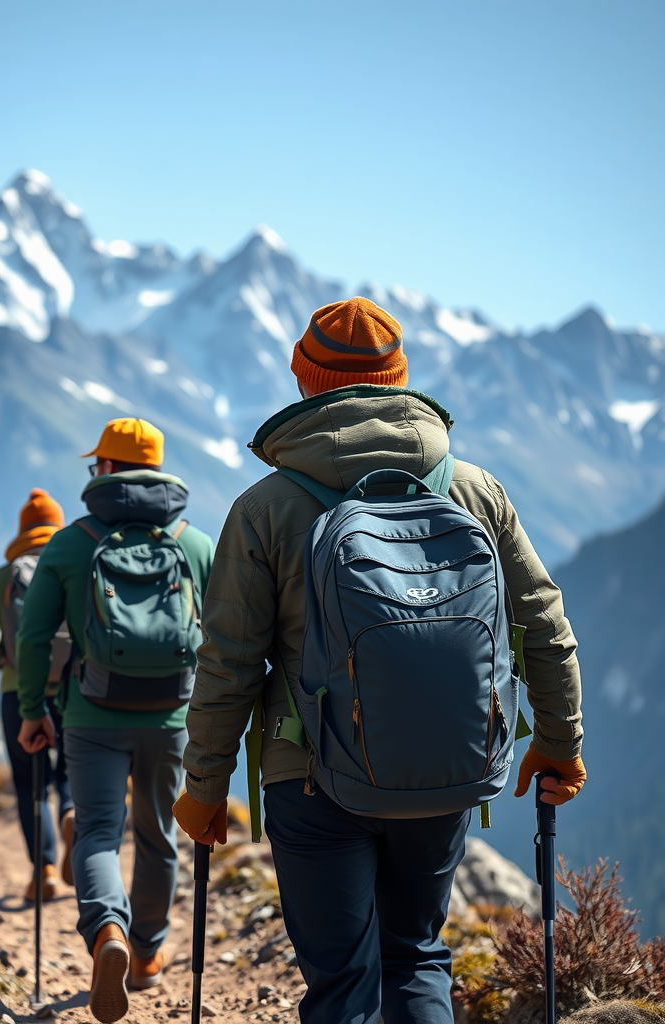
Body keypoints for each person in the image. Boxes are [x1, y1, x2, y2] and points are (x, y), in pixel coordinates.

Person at [173, 297, 585, 1024]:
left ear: (304, 378)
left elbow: (229, 662)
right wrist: (558, 741)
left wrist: (205, 785)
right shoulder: (474, 490)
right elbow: (543, 623)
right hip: (442, 766)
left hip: (311, 776)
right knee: (417, 956)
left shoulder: (265, 508)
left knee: (343, 980)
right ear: (400, 378)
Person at [16, 417, 214, 1024]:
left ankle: (108, 931)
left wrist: (33, 710)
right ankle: (148, 955)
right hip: (171, 717)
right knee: (157, 834)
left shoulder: (70, 543)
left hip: (91, 715)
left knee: (99, 831)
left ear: (104, 469)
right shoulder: (194, 544)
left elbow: (33, 637)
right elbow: (224, 636)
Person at [0, 487, 74, 903]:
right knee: (71, 772)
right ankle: (71, 814)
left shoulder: (1, 579)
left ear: (22, 530)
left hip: (17, 692)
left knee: (31, 783)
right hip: (75, 689)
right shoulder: (76, 566)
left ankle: (44, 870)